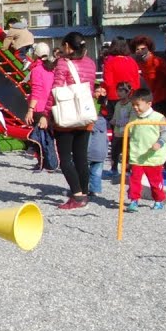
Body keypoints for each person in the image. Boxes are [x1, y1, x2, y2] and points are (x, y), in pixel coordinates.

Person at [50, 31, 98, 209]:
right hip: (85, 115)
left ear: (68, 47)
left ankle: (76, 195)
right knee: (81, 157)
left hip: (67, 116)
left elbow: (56, 90)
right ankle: (84, 194)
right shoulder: (90, 63)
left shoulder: (63, 63)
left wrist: (47, 112)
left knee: (64, 158)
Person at [132, 35, 166, 166]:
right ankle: (163, 161)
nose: (140, 51)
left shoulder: (157, 61)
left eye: (143, 48)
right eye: (137, 49)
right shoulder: (142, 63)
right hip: (154, 100)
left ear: (149, 48)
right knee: (157, 131)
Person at [124, 88, 166, 212]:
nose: (135, 107)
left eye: (137, 105)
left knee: (155, 181)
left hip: (152, 157)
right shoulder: (133, 117)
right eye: (133, 105)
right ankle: (134, 200)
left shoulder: (158, 117)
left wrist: (159, 143)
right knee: (134, 180)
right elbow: (130, 134)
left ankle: (159, 200)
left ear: (149, 104)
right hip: (137, 156)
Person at [26, 43, 59, 173]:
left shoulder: (36, 70)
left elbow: (36, 91)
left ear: (36, 54)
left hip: (39, 107)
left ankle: (45, 162)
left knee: (40, 138)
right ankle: (51, 161)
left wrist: (30, 109)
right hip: (52, 106)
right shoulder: (52, 69)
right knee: (49, 136)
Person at [102, 39, 140, 105]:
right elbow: (137, 80)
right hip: (131, 95)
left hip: (115, 96)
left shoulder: (110, 63)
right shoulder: (132, 61)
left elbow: (108, 82)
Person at [110, 82, 135, 178]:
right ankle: (114, 169)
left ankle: (127, 170)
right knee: (114, 153)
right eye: (118, 90)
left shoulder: (131, 105)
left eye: (121, 90)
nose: (119, 93)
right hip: (117, 133)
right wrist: (113, 121)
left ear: (128, 92)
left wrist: (116, 122)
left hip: (128, 134)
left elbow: (131, 119)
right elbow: (115, 117)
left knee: (128, 153)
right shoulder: (117, 104)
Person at [88, 88, 109, 197]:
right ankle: (95, 190)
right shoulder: (104, 123)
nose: (101, 94)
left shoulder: (101, 104)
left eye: (103, 92)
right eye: (98, 91)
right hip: (100, 152)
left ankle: (81, 188)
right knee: (96, 172)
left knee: (84, 170)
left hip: (89, 151)